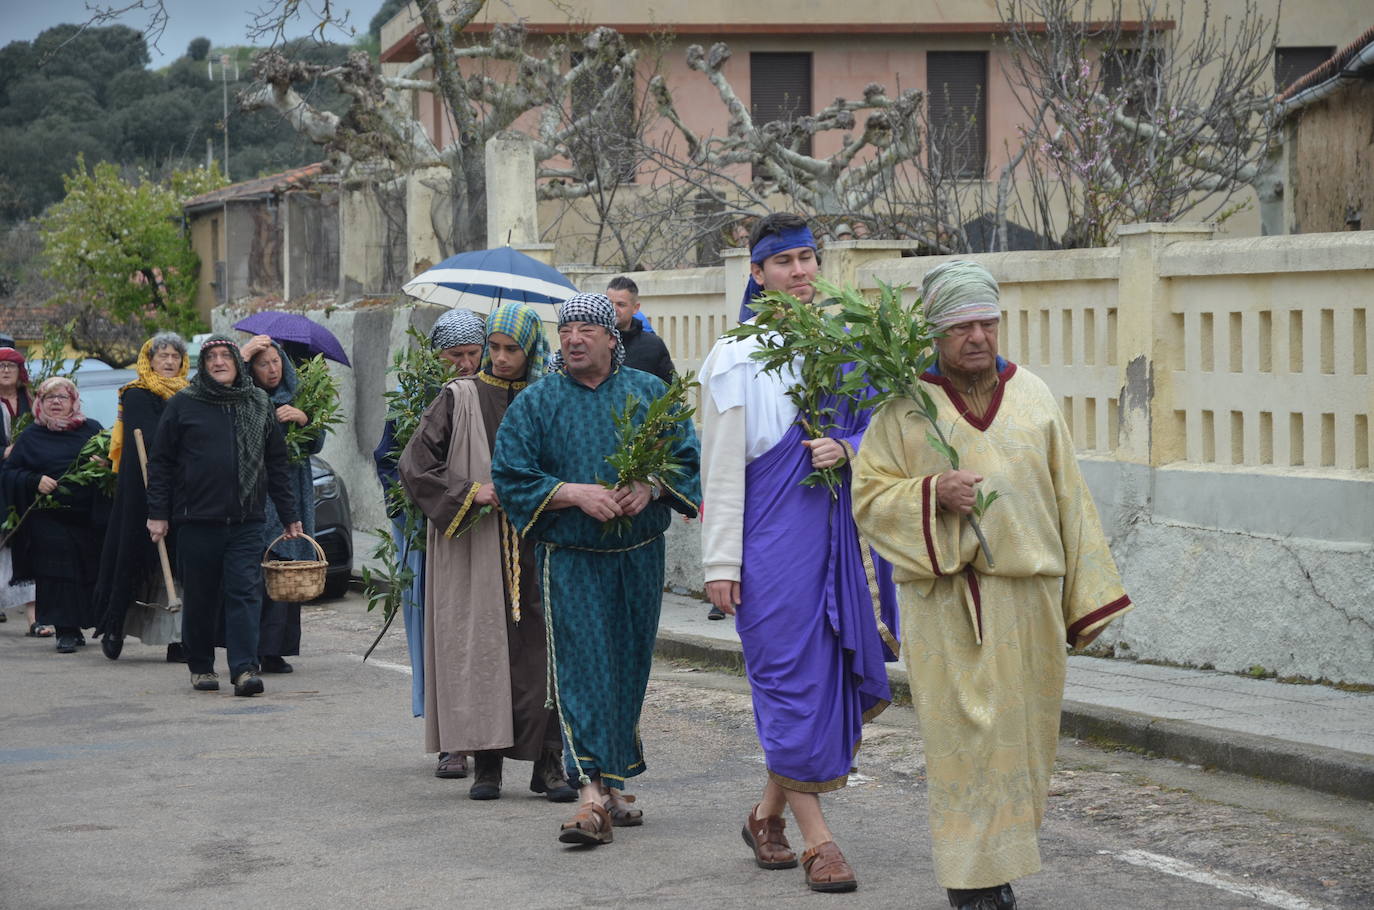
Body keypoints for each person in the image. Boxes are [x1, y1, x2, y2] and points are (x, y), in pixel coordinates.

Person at [850, 260, 1133, 910]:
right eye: (960, 326)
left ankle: (996, 867)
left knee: (1024, 743)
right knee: (964, 744)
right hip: (947, 601)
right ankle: (971, 881)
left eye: (986, 323)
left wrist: (1084, 596)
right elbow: (868, 496)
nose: (977, 337)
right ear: (936, 333)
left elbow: (1072, 498)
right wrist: (929, 493)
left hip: (1029, 601)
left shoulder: (1033, 395)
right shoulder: (904, 406)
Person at [698, 212, 900, 893]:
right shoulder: (735, 357)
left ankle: (766, 817)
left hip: (839, 542)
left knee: (825, 682)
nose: (801, 271)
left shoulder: (847, 345)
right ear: (757, 274)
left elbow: (892, 437)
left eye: (808, 258)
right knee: (788, 682)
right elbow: (720, 470)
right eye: (783, 262)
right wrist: (721, 564)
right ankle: (821, 843)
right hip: (770, 545)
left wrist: (849, 449)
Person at [492, 293, 701, 846]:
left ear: (613, 338)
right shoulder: (537, 402)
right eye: (566, 328)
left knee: (627, 669)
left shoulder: (650, 394)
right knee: (582, 670)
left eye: (587, 327)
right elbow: (510, 474)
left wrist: (649, 485)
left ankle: (612, 784)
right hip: (571, 560)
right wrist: (571, 493)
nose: (574, 337)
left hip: (638, 557)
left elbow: (686, 457)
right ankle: (588, 798)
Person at [398, 302, 575, 803]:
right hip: (478, 543)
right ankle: (487, 767)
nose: (498, 358)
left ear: (530, 351)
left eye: (510, 349)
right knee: (483, 650)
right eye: (492, 348)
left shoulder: (548, 398)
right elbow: (415, 465)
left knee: (542, 654)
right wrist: (470, 492)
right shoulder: (459, 397)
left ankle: (549, 765)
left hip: (539, 542)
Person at [146, 336, 302, 697]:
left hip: (247, 521)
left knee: (245, 594)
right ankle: (200, 666)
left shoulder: (258, 403)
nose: (218, 362)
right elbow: (161, 462)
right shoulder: (184, 404)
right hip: (196, 520)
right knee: (200, 597)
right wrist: (158, 513)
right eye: (211, 357)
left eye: (225, 356)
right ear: (204, 364)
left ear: (236, 362)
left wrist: (289, 514)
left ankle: (244, 670)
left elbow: (277, 462)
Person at [372, 307, 487, 778]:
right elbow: (391, 461)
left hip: (484, 524)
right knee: (435, 629)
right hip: (426, 529)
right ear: (436, 355)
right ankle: (448, 739)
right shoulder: (415, 392)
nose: (463, 363)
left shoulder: (494, 392)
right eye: (453, 355)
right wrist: (427, 509)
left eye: (471, 353)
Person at [93, 333, 190, 662]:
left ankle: (177, 638)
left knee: (178, 563)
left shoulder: (191, 394)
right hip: (140, 488)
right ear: (149, 360)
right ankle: (115, 624)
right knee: (131, 556)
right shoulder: (135, 394)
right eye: (161, 355)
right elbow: (152, 436)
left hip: (180, 488)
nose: (168, 361)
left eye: (174, 356)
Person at [0, 377, 107, 653]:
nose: (56, 402)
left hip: (86, 517)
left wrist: (106, 463)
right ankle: (66, 630)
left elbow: (115, 463)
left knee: (86, 569)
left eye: (62, 397)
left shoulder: (92, 431)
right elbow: (9, 472)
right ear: (40, 403)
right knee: (59, 570)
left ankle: (81, 624)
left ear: (74, 401)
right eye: (50, 398)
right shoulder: (31, 436)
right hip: (47, 516)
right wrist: (34, 480)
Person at [241, 334, 325, 675]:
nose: (272, 369)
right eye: (263, 364)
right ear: (251, 370)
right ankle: (259, 647)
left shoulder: (298, 398)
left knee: (290, 569)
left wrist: (304, 420)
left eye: (276, 362)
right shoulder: (248, 401)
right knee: (266, 565)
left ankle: (278, 649)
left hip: (295, 489)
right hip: (262, 491)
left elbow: (316, 444)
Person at [0, 347, 35, 628]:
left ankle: (34, 616)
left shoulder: (32, 400)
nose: (5, 370)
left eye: (11, 366)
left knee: (25, 539)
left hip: (25, 480)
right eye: (1, 366)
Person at [606, 276, 674, 382]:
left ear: (635, 308)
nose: (613, 309)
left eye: (621, 304)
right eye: (609, 303)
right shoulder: (594, 341)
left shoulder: (653, 345)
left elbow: (671, 388)